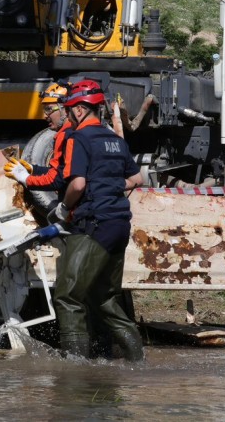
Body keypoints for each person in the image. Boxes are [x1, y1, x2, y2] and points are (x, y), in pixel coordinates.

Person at [51, 78, 144, 361]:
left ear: (79, 110)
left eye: (69, 111)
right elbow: (137, 178)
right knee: (104, 298)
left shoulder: (79, 139)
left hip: (93, 225)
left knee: (68, 298)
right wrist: (110, 188)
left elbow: (77, 184)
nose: (67, 116)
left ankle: (75, 368)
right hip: (119, 224)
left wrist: (63, 208)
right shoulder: (115, 140)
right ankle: (137, 361)